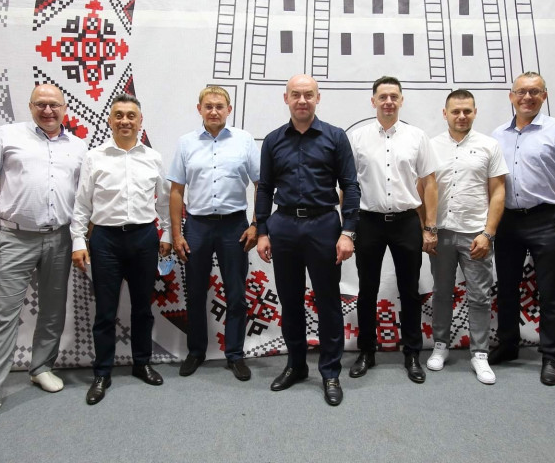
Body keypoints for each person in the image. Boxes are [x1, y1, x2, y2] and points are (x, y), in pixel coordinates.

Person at [0, 85, 87, 436]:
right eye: (41, 104)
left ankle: (41, 367)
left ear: (64, 108)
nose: (48, 110)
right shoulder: (7, 135)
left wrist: (80, 238)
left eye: (54, 105)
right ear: (30, 106)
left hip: (60, 237)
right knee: (3, 315)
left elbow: (83, 198)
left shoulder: (78, 146)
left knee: (53, 309)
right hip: (14, 238)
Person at [255, 74, 360, 406]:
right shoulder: (273, 140)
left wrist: (348, 232)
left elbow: (350, 185)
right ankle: (296, 365)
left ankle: (330, 372)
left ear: (318, 98)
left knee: (328, 301)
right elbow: (264, 188)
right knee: (290, 300)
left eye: (308, 95)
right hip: (283, 225)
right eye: (296, 95)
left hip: (323, 225)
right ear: (286, 98)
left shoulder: (335, 137)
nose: (302, 100)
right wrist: (262, 230)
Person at [71, 94, 171, 405]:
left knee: (143, 308)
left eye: (131, 115)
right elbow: (82, 204)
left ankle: (142, 363)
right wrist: (78, 241)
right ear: (110, 120)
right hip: (105, 241)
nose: (125, 120)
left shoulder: (153, 158)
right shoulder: (94, 157)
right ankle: (102, 372)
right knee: (105, 311)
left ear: (140, 122)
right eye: (119, 115)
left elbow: (164, 201)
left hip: (144, 238)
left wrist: (167, 233)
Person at [490, 71, 555, 386]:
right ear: (512, 96)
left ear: (544, 96)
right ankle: (508, 345)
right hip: (507, 221)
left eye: (535, 92)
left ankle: (551, 357)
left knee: (551, 293)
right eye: (521, 91)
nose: (527, 97)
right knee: (506, 288)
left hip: (546, 220)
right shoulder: (497, 135)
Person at [347, 76, 437, 384]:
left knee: (409, 290)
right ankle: (366, 351)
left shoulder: (417, 137)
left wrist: (430, 227)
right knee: (367, 290)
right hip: (368, 222)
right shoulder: (357, 138)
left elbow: (429, 184)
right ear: (373, 101)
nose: (388, 102)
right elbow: (347, 185)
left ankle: (412, 353)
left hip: (406, 222)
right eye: (382, 96)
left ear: (401, 100)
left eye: (393, 96)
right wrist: (347, 227)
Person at [168, 86, 260, 381]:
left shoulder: (244, 140)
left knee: (236, 293)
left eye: (220, 106)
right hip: (197, 226)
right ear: (199, 109)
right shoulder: (186, 143)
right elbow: (176, 191)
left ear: (229, 109)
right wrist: (176, 234)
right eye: (208, 106)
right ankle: (196, 351)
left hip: (235, 225)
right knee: (195, 291)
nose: (214, 111)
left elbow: (261, 185)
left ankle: (235, 354)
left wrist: (256, 224)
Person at [424, 89, 508, 384]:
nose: (461, 116)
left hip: (476, 234)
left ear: (475, 112)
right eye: (455, 111)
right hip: (442, 233)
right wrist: (427, 228)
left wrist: (489, 233)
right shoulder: (431, 146)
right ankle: (440, 345)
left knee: (480, 295)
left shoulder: (489, 145)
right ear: (444, 113)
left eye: (467, 111)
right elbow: (424, 189)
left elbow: (498, 191)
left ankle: (480, 353)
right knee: (441, 292)